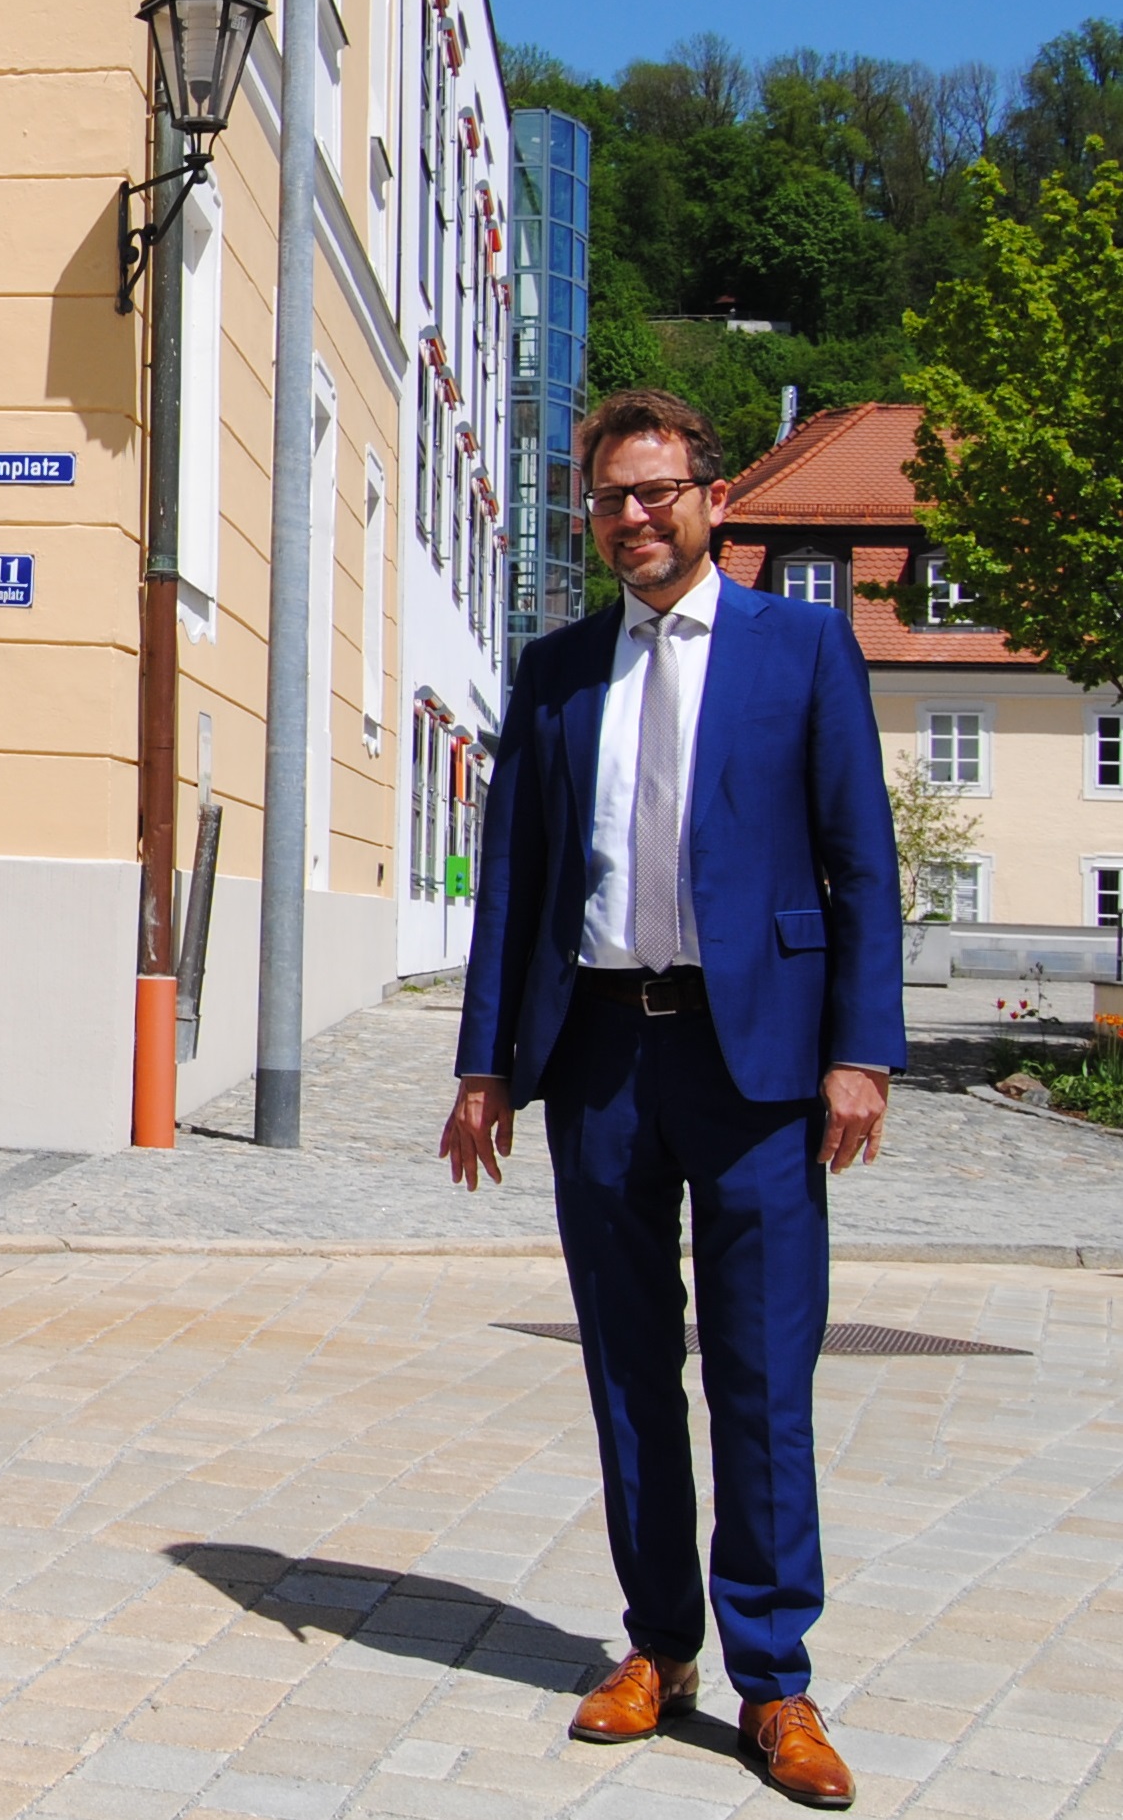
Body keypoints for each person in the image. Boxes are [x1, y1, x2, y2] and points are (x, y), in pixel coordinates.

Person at [443, 388, 901, 1809]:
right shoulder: (555, 668)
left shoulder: (802, 648)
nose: (630, 516)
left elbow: (857, 862)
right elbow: (513, 882)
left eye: (654, 491)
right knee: (629, 1368)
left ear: (710, 497)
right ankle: (655, 1646)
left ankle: (774, 1681)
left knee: (761, 1375)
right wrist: (483, 1065)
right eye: (605, 497)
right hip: (599, 1057)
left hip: (754, 1059)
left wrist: (858, 1051)